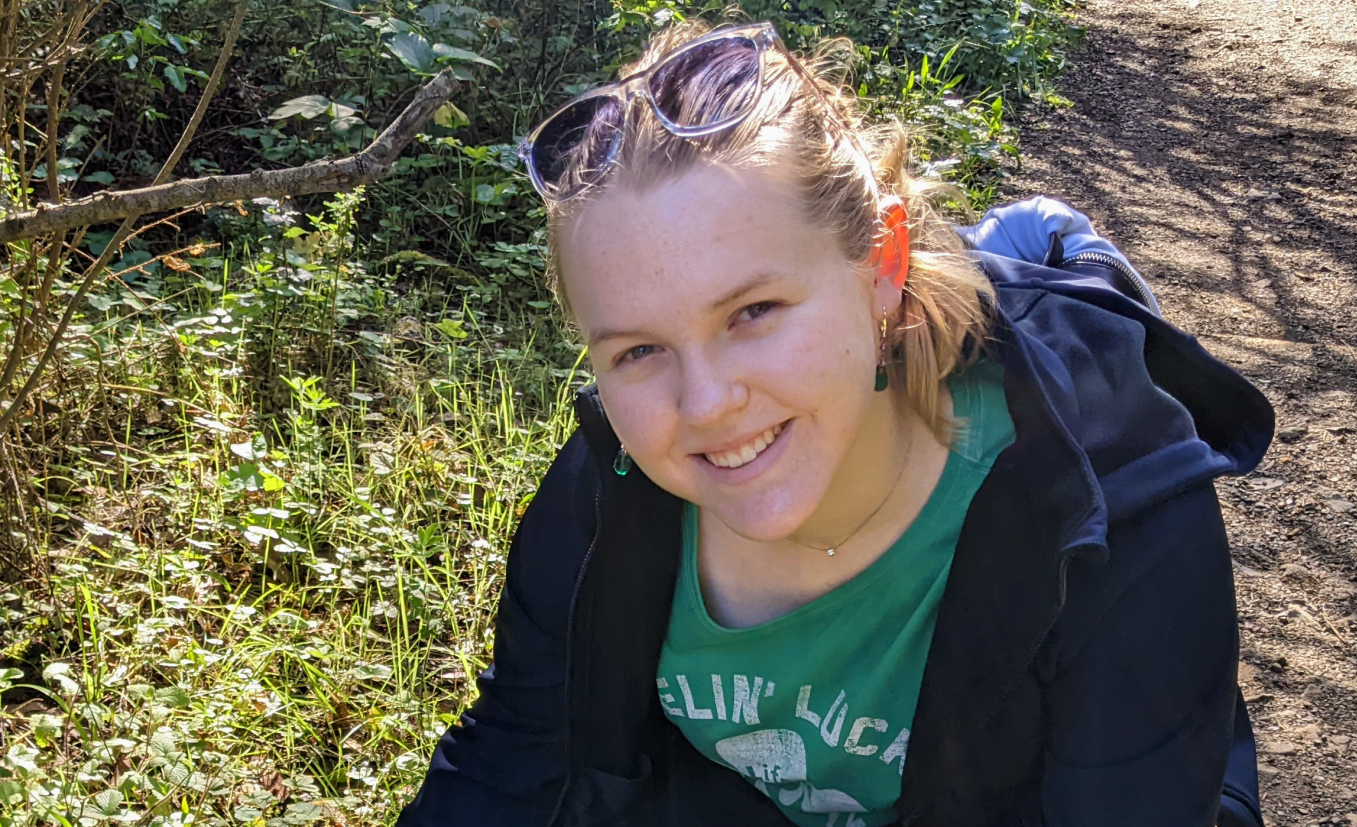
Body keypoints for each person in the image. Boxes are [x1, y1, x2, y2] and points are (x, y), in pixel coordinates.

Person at [397, 18, 1272, 827]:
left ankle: (1046, 248)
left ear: (881, 264)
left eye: (753, 312)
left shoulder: (1114, 510)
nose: (704, 406)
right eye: (637, 351)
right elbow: (514, 753)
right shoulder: (609, 486)